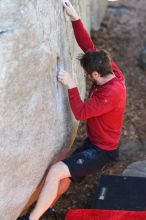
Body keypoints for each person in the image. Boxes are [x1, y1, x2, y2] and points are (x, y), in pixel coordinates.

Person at [17, 1, 126, 219]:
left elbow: (81, 112)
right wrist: (75, 18)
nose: (87, 77)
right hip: (93, 144)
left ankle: (32, 218)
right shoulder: (108, 69)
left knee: (56, 171)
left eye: (88, 74)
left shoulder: (111, 94)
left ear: (95, 75)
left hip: (102, 152)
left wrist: (71, 85)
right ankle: (43, 207)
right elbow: (88, 46)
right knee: (64, 178)